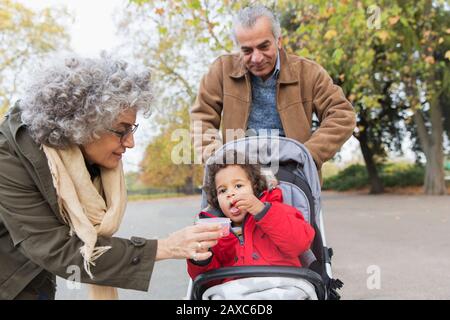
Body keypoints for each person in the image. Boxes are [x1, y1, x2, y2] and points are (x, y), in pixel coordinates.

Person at [0, 54, 222, 300]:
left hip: (34, 276)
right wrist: (166, 246)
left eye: (132, 129)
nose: (131, 142)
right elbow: (60, 249)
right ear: (83, 124)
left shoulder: (81, 155)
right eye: (121, 130)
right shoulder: (7, 159)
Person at [190, 5, 356, 176]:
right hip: (239, 176)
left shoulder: (309, 73)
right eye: (247, 50)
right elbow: (201, 118)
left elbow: (342, 115)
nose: (257, 58)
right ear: (238, 47)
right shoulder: (221, 70)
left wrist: (308, 155)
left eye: (264, 46)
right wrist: (219, 161)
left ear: (278, 41)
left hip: (294, 174)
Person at [187, 154, 315, 280]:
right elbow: (209, 282)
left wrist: (262, 211)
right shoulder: (215, 231)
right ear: (216, 198)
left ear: (254, 187)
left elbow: (300, 244)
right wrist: (202, 259)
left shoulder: (278, 211)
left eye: (238, 186)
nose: (230, 193)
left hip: (282, 285)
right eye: (222, 190)